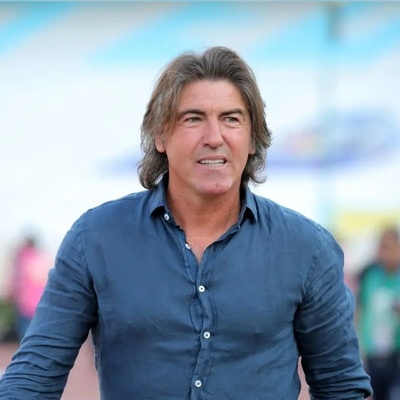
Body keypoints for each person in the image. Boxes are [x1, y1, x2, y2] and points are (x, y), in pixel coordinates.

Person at [0, 46, 372, 399]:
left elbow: (341, 386)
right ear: (160, 135)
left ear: (252, 139)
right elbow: (35, 373)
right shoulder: (95, 238)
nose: (214, 137)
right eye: (193, 119)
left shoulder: (307, 249)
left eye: (231, 119)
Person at [356, 226, 400, 400]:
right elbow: (360, 310)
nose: (383, 253)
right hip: (373, 353)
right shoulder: (369, 274)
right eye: (381, 247)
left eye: (388, 247)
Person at [6, 233, 53, 342]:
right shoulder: (42, 257)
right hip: (42, 303)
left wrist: (12, 293)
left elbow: (17, 281)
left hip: (26, 305)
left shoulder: (22, 258)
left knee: (26, 337)